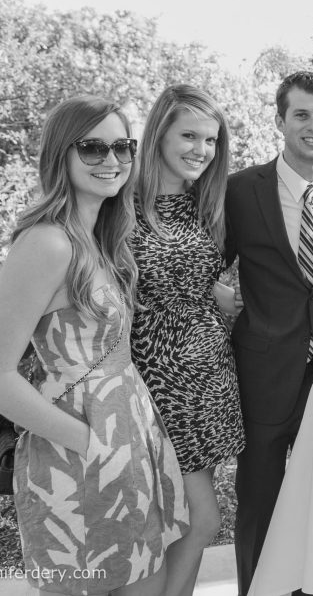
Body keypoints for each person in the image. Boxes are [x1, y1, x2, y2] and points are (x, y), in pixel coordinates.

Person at [0, 95, 188, 596]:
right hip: (78, 449)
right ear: (60, 154)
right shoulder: (48, 243)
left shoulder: (99, 238)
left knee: (145, 576)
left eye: (122, 147)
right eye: (92, 147)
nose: (111, 160)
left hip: (127, 434)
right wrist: (91, 443)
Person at [225, 71, 313, 595]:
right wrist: (221, 295)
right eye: (302, 114)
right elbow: (208, 264)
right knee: (260, 501)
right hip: (263, 368)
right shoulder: (240, 190)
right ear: (280, 119)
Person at [130, 84, 245, 596]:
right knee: (198, 520)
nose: (202, 149)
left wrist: (220, 295)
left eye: (211, 140)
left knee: (187, 523)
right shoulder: (122, 206)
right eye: (189, 136)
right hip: (159, 385)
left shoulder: (205, 204)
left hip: (210, 380)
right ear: (159, 133)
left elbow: (200, 274)